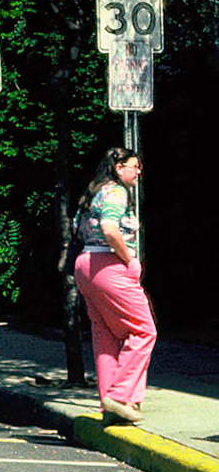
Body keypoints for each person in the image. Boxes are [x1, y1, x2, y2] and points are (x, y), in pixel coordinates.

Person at [72, 146, 155, 424]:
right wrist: (129, 259)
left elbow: (78, 228)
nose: (139, 172)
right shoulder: (116, 193)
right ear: (119, 169)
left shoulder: (92, 192)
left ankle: (110, 404)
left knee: (105, 335)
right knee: (144, 331)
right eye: (135, 166)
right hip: (109, 267)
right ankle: (121, 397)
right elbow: (109, 228)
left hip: (86, 265)